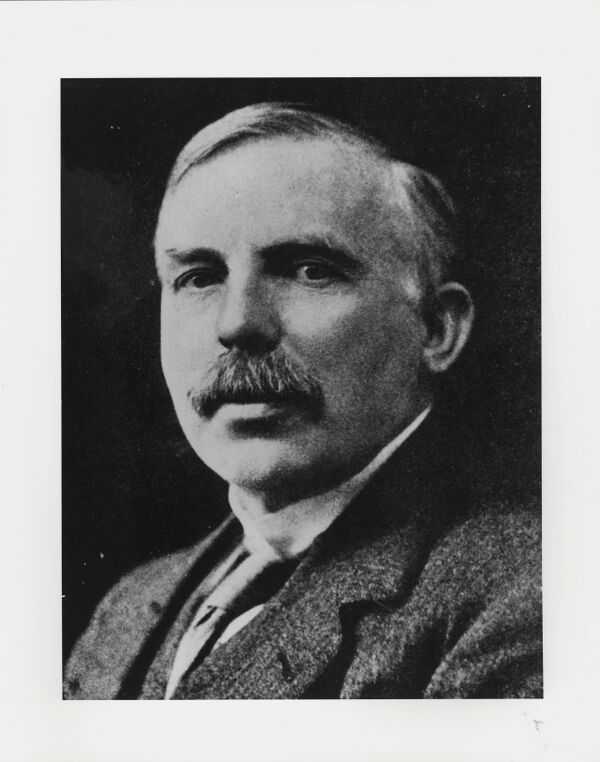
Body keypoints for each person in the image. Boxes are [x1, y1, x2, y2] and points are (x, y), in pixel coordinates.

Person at [64, 103, 542, 699]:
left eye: (309, 270)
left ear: (436, 329)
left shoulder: (525, 599)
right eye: (200, 277)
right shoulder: (131, 604)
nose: (238, 323)